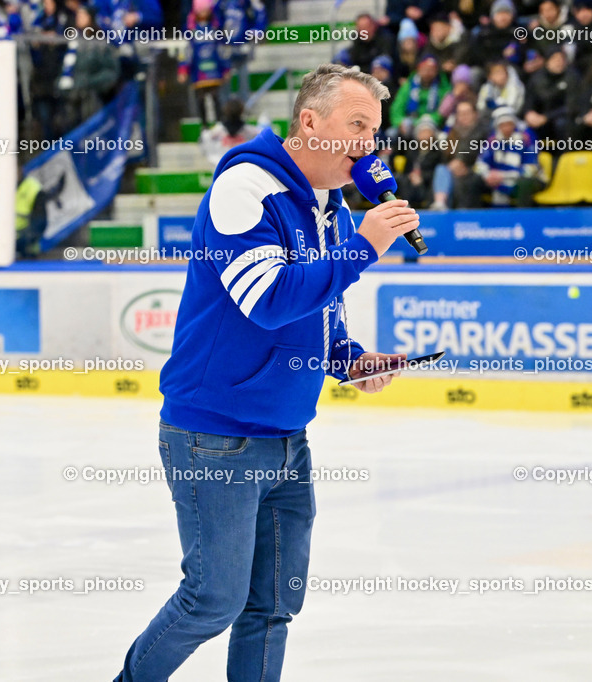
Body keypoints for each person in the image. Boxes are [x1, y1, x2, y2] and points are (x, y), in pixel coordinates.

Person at [113, 63, 417, 682]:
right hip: (216, 436)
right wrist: (363, 248)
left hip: (287, 435)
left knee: (274, 604)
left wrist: (348, 360)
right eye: (357, 126)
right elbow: (269, 297)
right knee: (212, 601)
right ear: (310, 121)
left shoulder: (328, 204)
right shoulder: (244, 188)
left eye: (375, 131)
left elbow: (319, 309)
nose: (370, 145)